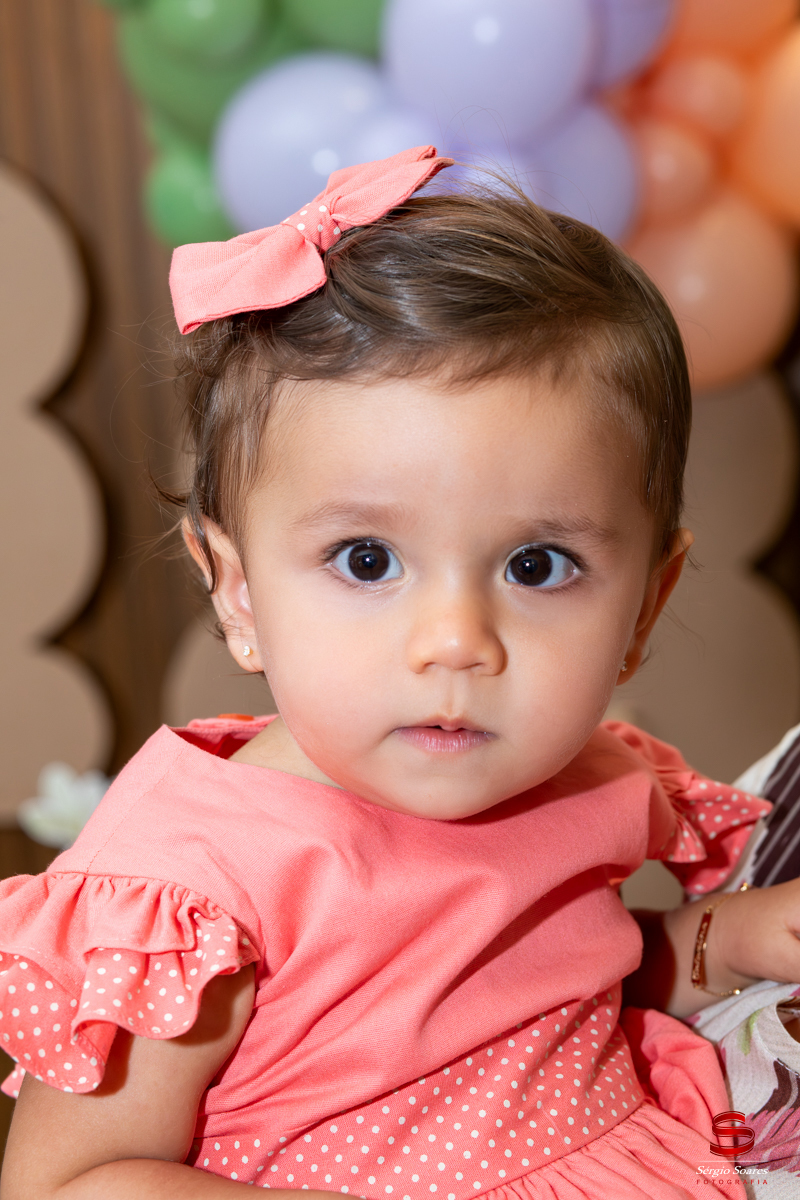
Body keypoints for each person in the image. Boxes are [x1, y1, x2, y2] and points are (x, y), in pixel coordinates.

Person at [2, 145, 797, 1200]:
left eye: (536, 565)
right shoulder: (196, 883)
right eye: (367, 560)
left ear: (644, 606)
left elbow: (564, 986)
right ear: (237, 592)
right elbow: (72, 1184)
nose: (454, 641)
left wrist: (725, 943)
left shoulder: (578, 777)